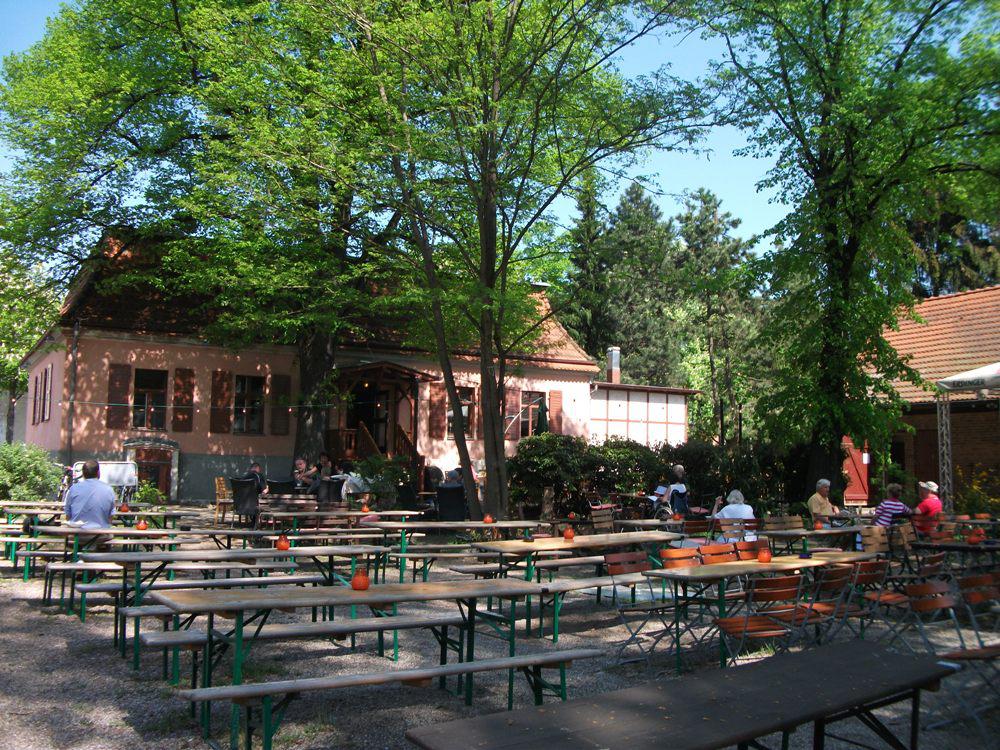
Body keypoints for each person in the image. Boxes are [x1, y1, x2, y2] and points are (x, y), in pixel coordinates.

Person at [63, 459, 117, 530]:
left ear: (83, 473)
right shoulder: (109, 489)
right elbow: (110, 517)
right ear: (98, 473)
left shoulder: (73, 489)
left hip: (77, 536)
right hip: (101, 535)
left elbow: (68, 516)